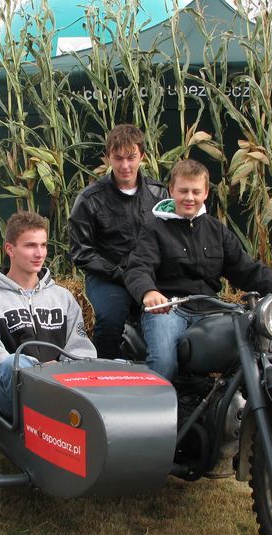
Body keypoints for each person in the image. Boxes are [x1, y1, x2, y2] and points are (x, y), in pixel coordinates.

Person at [123, 159, 272, 380]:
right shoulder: (154, 229)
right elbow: (138, 267)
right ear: (171, 190)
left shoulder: (216, 230)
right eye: (183, 190)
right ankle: (158, 413)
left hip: (210, 311)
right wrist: (149, 292)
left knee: (251, 352)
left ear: (206, 193)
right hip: (169, 309)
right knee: (164, 362)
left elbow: (247, 269)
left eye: (196, 191)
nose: (189, 197)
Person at [0, 211, 96, 419]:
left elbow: (80, 349)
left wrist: (63, 371)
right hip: (9, 391)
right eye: (30, 246)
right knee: (12, 365)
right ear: (10, 249)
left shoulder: (63, 297)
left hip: (61, 385)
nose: (39, 254)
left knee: (115, 363)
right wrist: (40, 371)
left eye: (43, 245)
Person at [69, 123, 168, 359]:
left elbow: (171, 239)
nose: (125, 165)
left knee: (174, 315)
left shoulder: (159, 194)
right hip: (108, 278)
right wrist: (120, 272)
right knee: (111, 318)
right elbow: (80, 252)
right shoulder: (89, 199)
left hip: (150, 276)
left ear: (142, 156)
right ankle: (102, 373)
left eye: (131, 157)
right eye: (118, 158)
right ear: (108, 158)